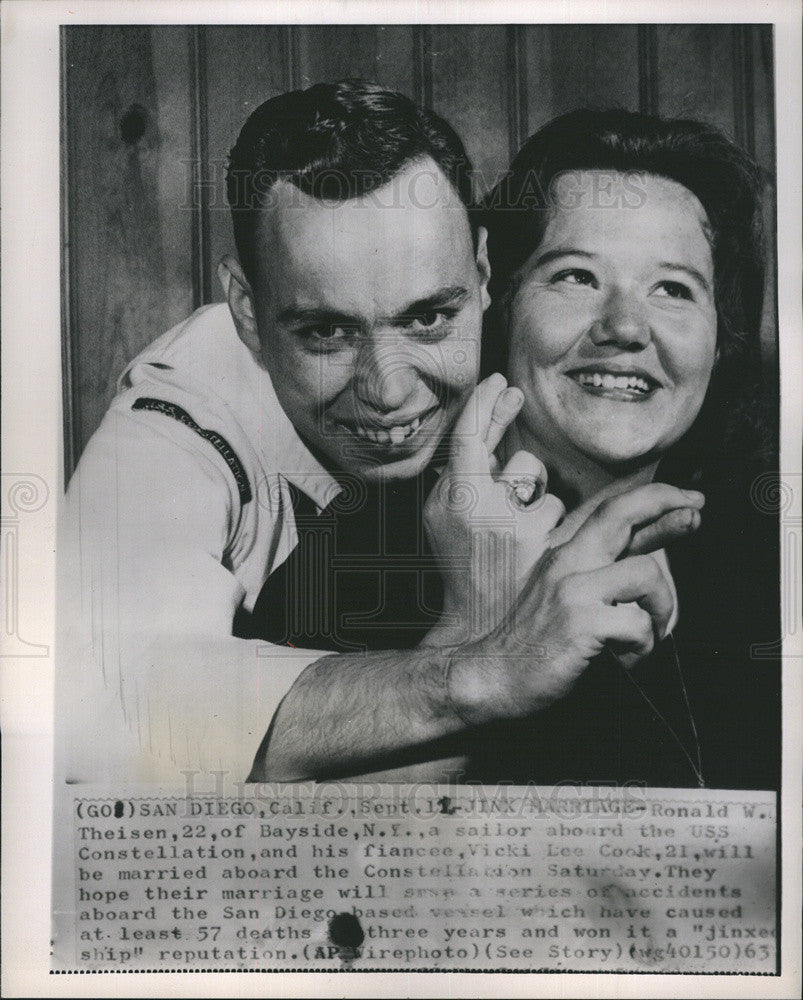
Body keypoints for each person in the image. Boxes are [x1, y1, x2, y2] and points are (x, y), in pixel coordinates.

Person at [58, 83, 702, 786]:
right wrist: (483, 645)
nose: (390, 391)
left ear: (483, 275)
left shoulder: (528, 349)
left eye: (428, 319)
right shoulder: (172, 433)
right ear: (245, 306)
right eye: (327, 333)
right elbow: (137, 719)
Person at [464, 108, 780, 789]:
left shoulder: (772, 577)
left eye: (672, 289)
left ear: (719, 338)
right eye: (576, 276)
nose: (625, 327)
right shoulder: (343, 548)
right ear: (500, 299)